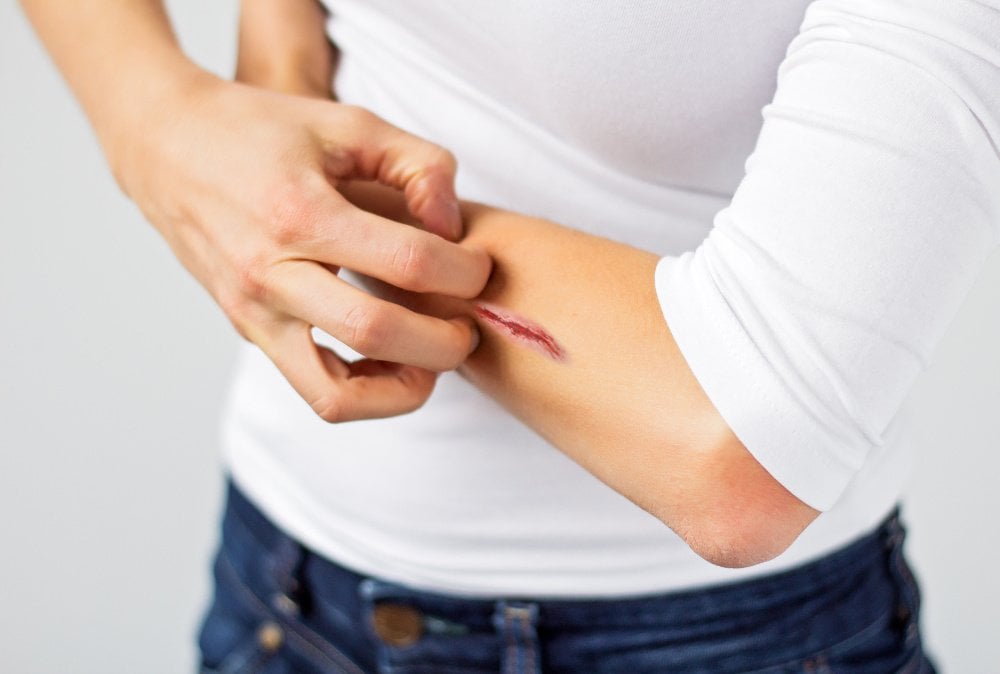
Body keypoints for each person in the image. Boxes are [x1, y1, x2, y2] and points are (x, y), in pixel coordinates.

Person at [21, 0, 999, 671]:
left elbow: (736, 446)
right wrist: (156, 117)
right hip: (287, 582)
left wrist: (280, 199)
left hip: (735, 637)